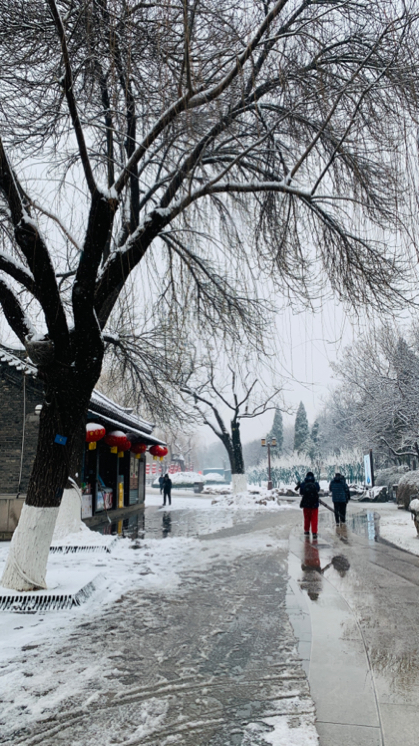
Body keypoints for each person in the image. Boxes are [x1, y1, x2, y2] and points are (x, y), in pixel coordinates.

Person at [296, 471, 320, 538]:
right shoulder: (316, 484)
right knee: (314, 518)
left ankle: (306, 530)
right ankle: (314, 532)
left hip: (306, 504)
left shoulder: (303, 484)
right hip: (314, 504)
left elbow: (301, 493)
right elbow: (318, 490)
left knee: (307, 518)